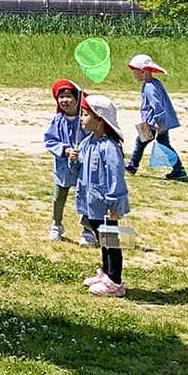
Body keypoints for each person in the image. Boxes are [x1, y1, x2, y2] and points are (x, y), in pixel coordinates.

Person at [76, 93, 130, 297]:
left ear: (100, 119)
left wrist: (114, 203)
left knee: (111, 241)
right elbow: (81, 166)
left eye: (86, 114)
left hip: (106, 204)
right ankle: (106, 272)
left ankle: (115, 281)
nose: (82, 118)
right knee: (102, 238)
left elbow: (115, 175)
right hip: (93, 202)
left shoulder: (109, 147)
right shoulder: (87, 142)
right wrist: (74, 159)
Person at [124, 54, 186, 179]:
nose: (134, 75)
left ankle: (133, 165)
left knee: (141, 142)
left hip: (153, 123)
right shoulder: (153, 83)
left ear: (143, 71)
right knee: (161, 143)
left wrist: (159, 120)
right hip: (153, 122)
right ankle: (179, 169)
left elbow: (156, 104)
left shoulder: (149, 86)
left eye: (135, 72)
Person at [43, 78, 83, 242]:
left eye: (69, 96)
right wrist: (64, 150)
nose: (65, 100)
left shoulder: (85, 119)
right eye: (61, 97)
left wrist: (82, 153)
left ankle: (88, 228)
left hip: (83, 166)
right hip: (63, 167)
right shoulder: (57, 121)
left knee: (86, 195)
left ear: (77, 98)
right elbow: (50, 140)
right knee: (59, 197)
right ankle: (57, 224)